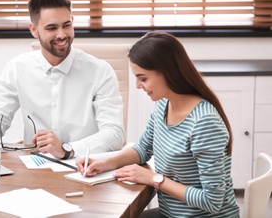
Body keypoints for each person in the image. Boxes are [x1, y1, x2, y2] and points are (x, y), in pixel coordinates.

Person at [0, 0, 125, 165]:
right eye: (52, 28)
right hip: (36, 168)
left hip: (86, 168)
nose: (62, 35)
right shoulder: (17, 68)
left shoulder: (100, 71)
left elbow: (115, 133)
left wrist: (67, 149)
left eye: (66, 25)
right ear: (33, 30)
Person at [77, 32, 240, 218]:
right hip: (172, 214)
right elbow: (143, 149)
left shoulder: (204, 123)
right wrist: (104, 162)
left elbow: (212, 202)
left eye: (143, 78)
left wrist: (154, 179)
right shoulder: (163, 104)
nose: (138, 85)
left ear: (168, 71)